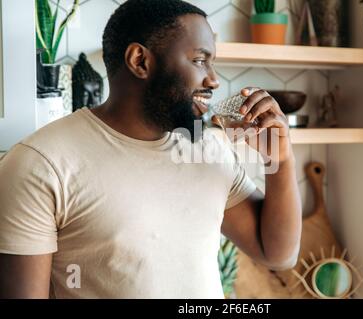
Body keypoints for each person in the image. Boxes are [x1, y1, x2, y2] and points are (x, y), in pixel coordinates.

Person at [0, 0, 302, 298]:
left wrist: (280, 158)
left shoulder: (209, 149)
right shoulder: (40, 164)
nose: (213, 79)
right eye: (199, 60)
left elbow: (276, 253)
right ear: (140, 61)